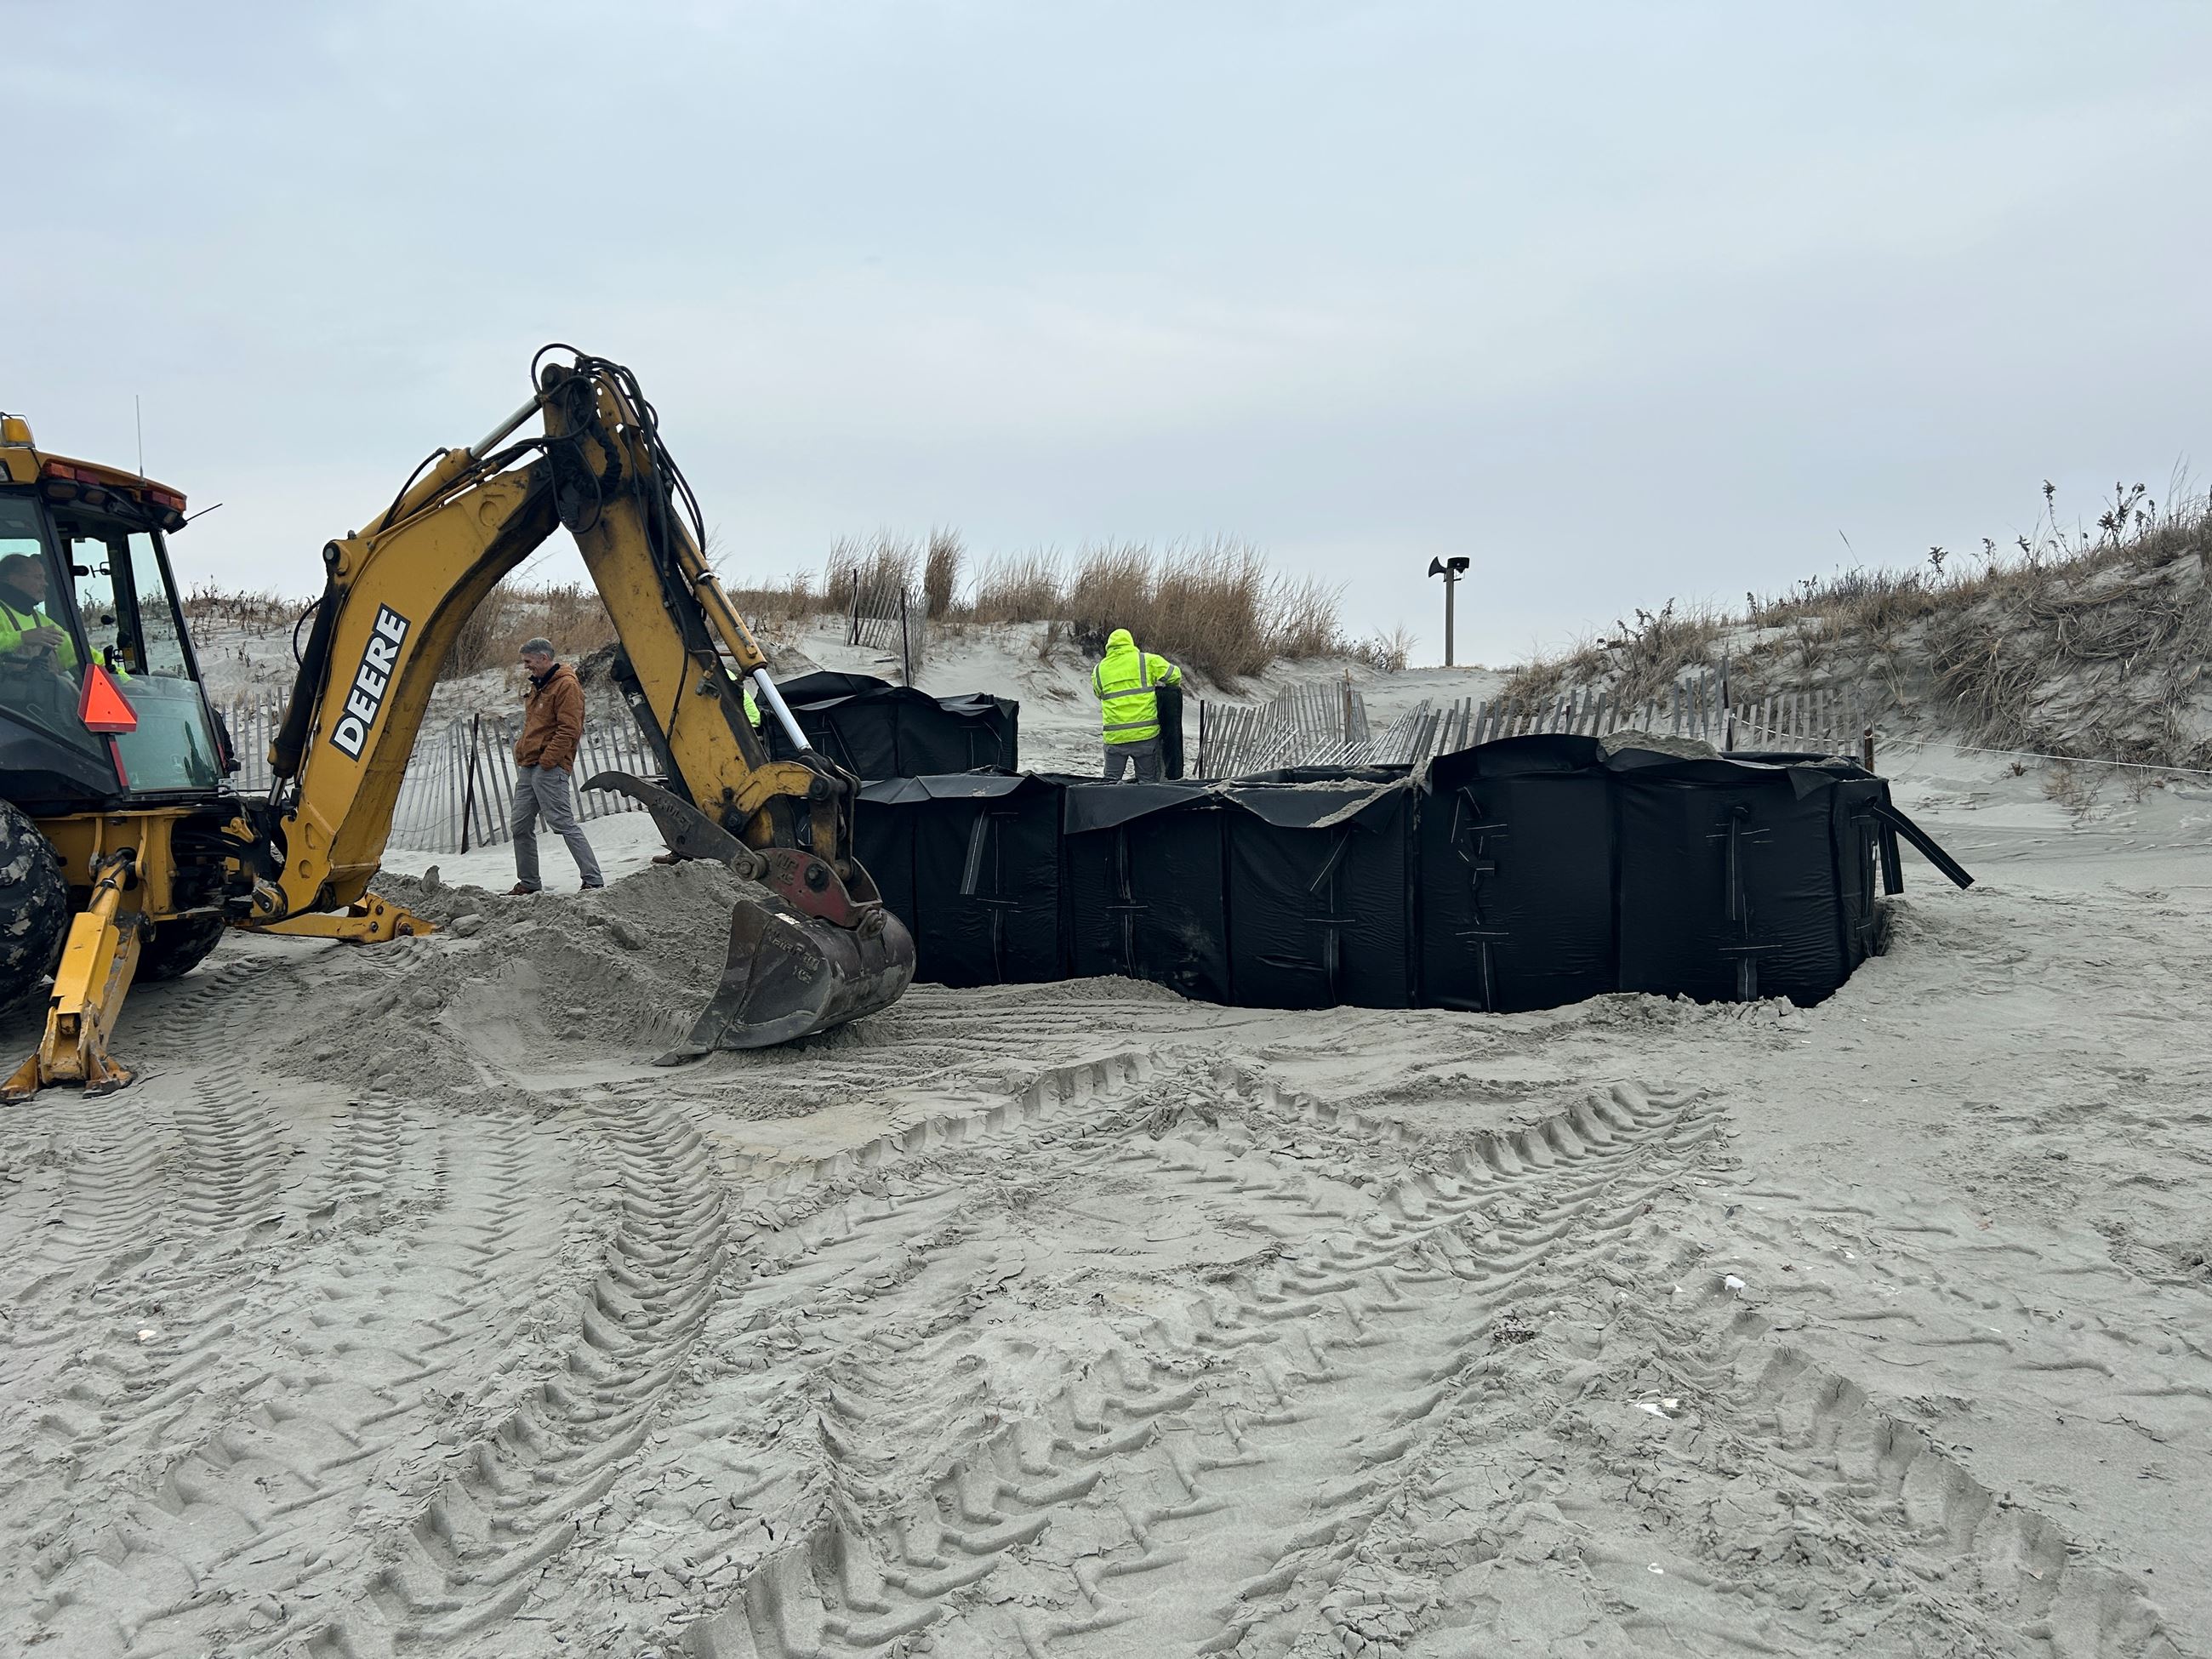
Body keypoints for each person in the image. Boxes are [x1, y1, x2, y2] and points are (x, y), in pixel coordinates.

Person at [507, 637, 604, 894]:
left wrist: (549, 761)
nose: (526, 667)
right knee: (519, 825)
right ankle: (529, 883)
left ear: (544, 658)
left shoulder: (566, 686)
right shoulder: (541, 685)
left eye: (529, 661)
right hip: (530, 765)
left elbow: (570, 729)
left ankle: (593, 880)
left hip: (549, 766)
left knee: (562, 822)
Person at [1092, 627, 1182, 783]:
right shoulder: (1146, 661)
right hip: (1145, 736)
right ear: (1130, 643)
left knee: (1109, 784)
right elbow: (1175, 676)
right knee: (1147, 783)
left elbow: (1098, 693)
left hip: (1115, 737)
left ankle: (1111, 806)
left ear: (1109, 647)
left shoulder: (1099, 669)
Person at [0, 554, 77, 670]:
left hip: (42, 687)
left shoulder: (41, 620)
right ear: (13, 579)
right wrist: (22, 638)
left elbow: (74, 652)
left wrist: (111, 671)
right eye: (38, 577)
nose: (45, 583)